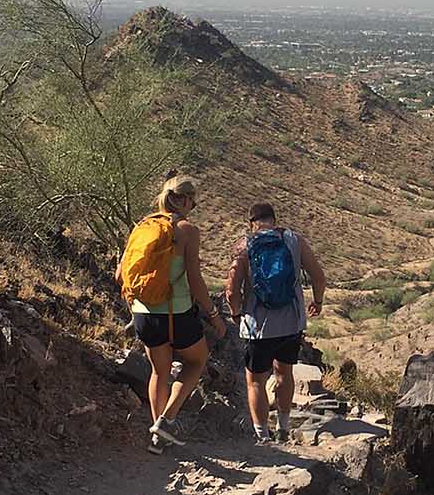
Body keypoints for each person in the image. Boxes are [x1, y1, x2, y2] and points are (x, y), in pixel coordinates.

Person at [120, 176, 226, 455]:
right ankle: (167, 420)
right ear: (183, 199)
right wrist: (214, 315)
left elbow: (120, 273)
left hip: (142, 312)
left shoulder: (143, 226)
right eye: (193, 201)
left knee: (159, 371)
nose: (193, 206)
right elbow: (195, 279)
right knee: (197, 360)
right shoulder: (187, 230)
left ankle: (158, 437)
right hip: (175, 313)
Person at [225, 202, 326, 443]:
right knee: (285, 373)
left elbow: (231, 290)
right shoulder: (294, 240)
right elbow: (318, 276)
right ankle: (283, 427)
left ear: (251, 223)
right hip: (291, 324)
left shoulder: (244, 246)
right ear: (274, 219)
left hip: (257, 327)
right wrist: (318, 301)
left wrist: (236, 312)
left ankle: (263, 436)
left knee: (255, 381)